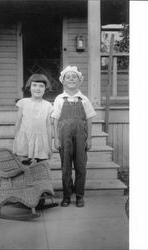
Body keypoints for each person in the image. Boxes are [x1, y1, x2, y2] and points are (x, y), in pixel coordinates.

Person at [51, 66, 96, 207]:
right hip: (64, 137)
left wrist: (89, 138)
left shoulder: (84, 99)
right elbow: (55, 119)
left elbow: (89, 119)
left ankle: (79, 195)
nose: (71, 79)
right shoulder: (59, 99)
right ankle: (66, 195)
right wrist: (56, 138)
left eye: (74, 76)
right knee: (66, 167)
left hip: (81, 136)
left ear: (79, 80)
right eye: (67, 77)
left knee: (81, 166)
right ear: (63, 81)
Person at [13, 74, 53, 164]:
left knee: (41, 166)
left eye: (41, 86)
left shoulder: (47, 105)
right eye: (34, 85)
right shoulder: (23, 102)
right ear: (29, 87)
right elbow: (18, 123)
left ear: (45, 89)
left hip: (41, 141)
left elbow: (49, 128)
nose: (37, 88)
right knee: (25, 165)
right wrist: (16, 141)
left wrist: (50, 147)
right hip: (25, 139)